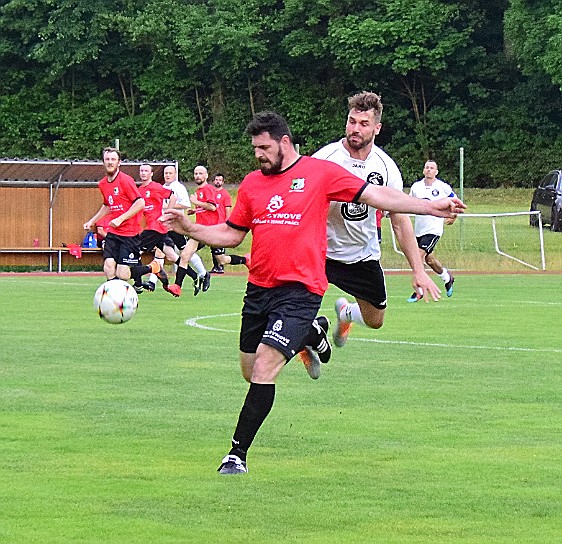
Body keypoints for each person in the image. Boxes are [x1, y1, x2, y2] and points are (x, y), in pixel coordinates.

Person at [159, 111, 465, 475]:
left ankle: (236, 453)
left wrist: (431, 206)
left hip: (302, 288)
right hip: (259, 289)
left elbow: (380, 196)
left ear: (284, 143)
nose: (258, 154)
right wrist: (190, 227)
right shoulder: (253, 184)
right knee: (248, 369)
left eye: (264, 148)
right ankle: (313, 334)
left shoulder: (320, 173)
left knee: (264, 367)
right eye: (255, 148)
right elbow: (231, 235)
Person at [313, 91, 442, 349]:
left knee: (375, 320)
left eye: (363, 124)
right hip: (320, 253)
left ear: (377, 127)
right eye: (352, 121)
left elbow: (400, 220)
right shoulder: (324, 159)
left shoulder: (386, 167)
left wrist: (418, 270)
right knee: (297, 309)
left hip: (362, 255)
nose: (355, 129)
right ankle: (311, 338)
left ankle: (346, 314)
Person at [83, 147, 161, 282]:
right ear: (103, 162)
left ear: (119, 163)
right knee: (108, 267)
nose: (110, 162)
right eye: (107, 159)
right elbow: (108, 205)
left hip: (129, 233)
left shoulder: (125, 180)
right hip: (113, 233)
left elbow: (140, 203)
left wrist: (120, 218)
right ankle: (114, 298)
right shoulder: (102, 184)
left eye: (113, 159)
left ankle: (153, 267)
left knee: (123, 274)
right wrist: (92, 221)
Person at [146, 164, 208, 295]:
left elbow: (185, 204)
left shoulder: (178, 187)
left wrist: (169, 208)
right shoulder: (163, 187)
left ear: (175, 174)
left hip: (176, 224)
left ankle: (202, 273)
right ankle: (152, 282)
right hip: (165, 224)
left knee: (184, 252)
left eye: (170, 173)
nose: (167, 175)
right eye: (166, 173)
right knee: (162, 251)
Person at [407, 160, 456, 302]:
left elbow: (455, 201)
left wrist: (454, 215)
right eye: (427, 167)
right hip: (419, 229)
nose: (429, 170)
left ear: (436, 171)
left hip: (434, 229)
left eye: (432, 168)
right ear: (423, 170)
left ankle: (419, 290)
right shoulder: (416, 187)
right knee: (430, 259)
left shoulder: (442, 187)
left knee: (418, 257)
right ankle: (447, 277)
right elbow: (409, 203)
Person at [165, 165, 214, 297]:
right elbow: (205, 209)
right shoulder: (198, 190)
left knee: (222, 258)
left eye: (200, 173)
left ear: (206, 176)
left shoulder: (207, 189)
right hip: (198, 229)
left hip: (210, 230)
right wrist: (195, 210)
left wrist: (196, 202)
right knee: (185, 255)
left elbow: (213, 207)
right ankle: (177, 286)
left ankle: (245, 260)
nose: (197, 176)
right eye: (196, 173)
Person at [131, 163, 177, 293]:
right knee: (172, 255)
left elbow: (173, 197)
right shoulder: (139, 190)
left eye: (146, 171)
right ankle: (197, 275)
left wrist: (167, 214)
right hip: (152, 228)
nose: (143, 173)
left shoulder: (156, 187)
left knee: (135, 251)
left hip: (155, 228)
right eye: (141, 171)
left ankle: (143, 279)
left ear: (151, 174)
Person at [210, 172, 250, 273]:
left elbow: (227, 209)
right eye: (216, 180)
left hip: (220, 225)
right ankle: (216, 267)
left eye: (220, 180)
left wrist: (227, 223)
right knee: (212, 246)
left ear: (223, 182)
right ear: (213, 181)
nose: (218, 182)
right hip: (211, 225)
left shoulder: (225, 194)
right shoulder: (210, 193)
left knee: (220, 254)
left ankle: (243, 260)